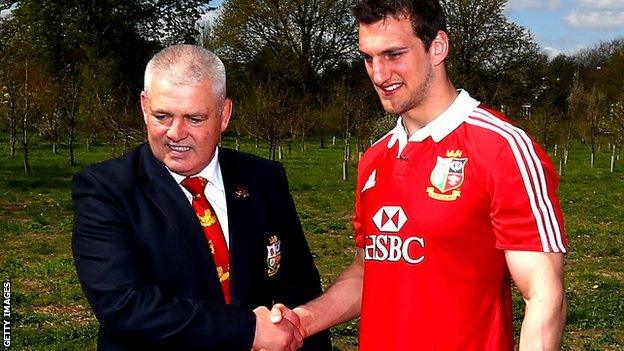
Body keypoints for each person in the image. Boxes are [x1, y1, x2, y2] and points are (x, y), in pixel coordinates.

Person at [270, 1, 568, 350]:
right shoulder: (374, 158)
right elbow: (370, 271)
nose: (379, 75)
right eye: (368, 58)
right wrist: (305, 321)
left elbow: (545, 295)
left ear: (437, 47)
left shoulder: (502, 148)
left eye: (394, 54)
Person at [71, 44, 331, 351]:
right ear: (143, 106)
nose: (176, 133)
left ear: (224, 115)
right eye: (162, 115)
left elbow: (300, 288)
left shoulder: (263, 179)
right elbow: (124, 307)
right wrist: (248, 331)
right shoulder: (106, 189)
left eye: (194, 118)